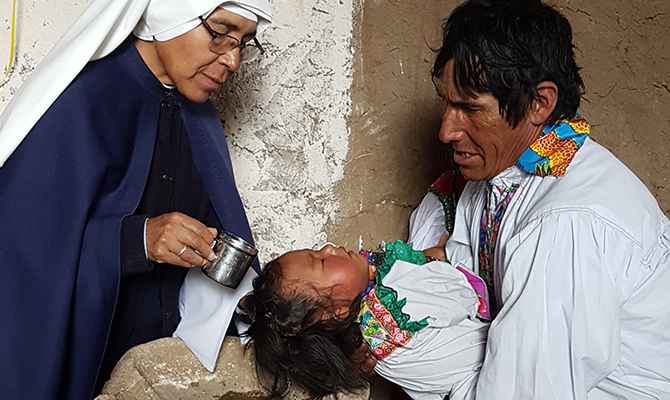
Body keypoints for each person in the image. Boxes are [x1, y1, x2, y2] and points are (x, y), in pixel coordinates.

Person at [0, 0, 271, 398]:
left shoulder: (199, 115)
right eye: (219, 33)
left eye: (245, 42)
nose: (233, 60)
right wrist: (138, 239)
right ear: (169, 12)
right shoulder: (81, 99)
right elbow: (21, 249)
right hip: (85, 362)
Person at [414, 0, 670, 398]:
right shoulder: (498, 178)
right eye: (447, 103)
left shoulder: (563, 223)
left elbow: (526, 391)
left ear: (540, 103)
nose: (447, 130)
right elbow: (469, 276)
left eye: (469, 108)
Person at [242, 240, 490, 400]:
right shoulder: (389, 311)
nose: (329, 247)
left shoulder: (363, 327)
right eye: (322, 260)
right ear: (337, 312)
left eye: (317, 249)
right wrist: (434, 259)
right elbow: (465, 296)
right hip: (483, 367)